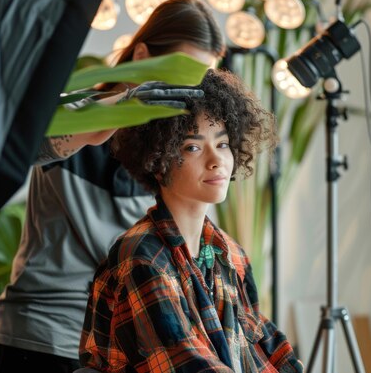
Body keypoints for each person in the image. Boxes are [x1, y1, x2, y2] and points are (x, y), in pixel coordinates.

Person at [0, 0, 225, 373]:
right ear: (142, 55)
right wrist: (120, 109)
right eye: (178, 75)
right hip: (42, 337)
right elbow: (21, 147)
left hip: (119, 349)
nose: (185, 93)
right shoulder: (74, 114)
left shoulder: (181, 153)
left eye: (199, 82)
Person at [79, 68, 303, 373]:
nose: (216, 160)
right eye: (193, 147)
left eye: (222, 144)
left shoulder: (230, 254)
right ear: (158, 160)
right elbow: (186, 364)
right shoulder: (142, 258)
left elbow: (266, 344)